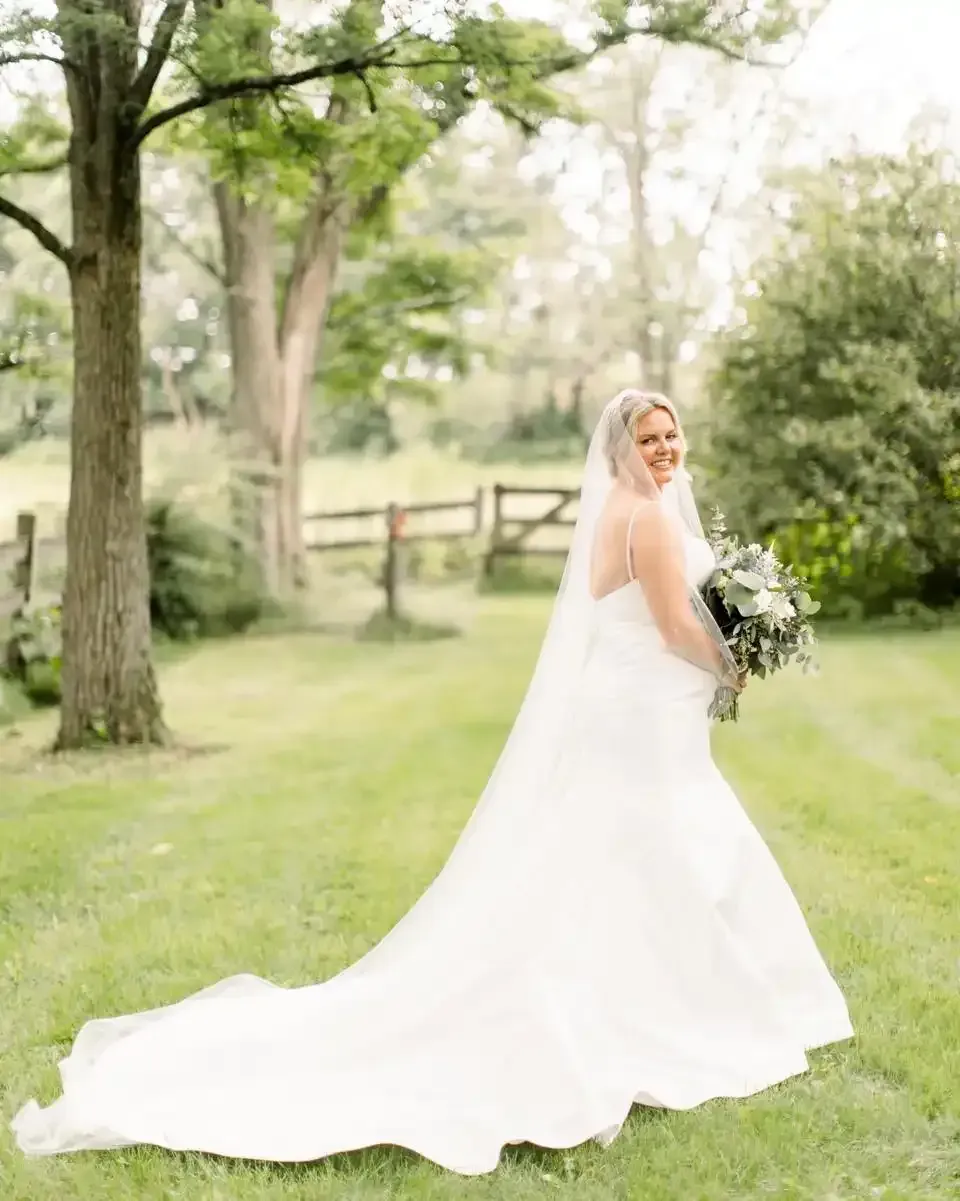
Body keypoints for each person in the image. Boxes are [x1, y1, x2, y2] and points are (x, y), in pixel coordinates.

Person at [12, 390, 853, 1175]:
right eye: (650, 439)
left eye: (672, 436)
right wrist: (733, 662)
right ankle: (679, 1013)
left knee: (635, 857)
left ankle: (674, 998)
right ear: (622, 450)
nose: (666, 449)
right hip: (641, 717)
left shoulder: (619, 515)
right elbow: (674, 625)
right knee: (666, 853)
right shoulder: (653, 523)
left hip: (628, 712)